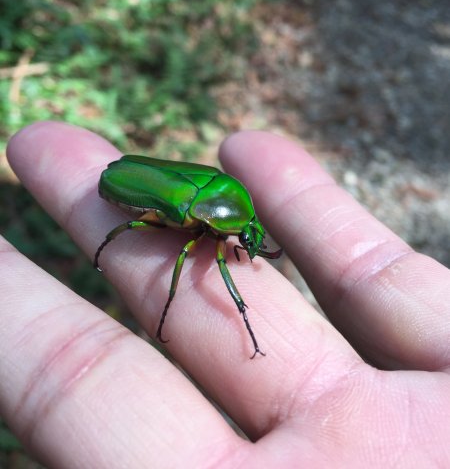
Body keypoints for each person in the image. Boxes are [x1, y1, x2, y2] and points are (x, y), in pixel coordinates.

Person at [2, 121, 450, 468]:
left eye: (246, 233)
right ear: (218, 224)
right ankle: (231, 314)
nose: (245, 242)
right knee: (177, 253)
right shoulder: (206, 231)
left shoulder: (233, 209)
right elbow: (188, 259)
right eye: (242, 234)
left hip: (191, 191)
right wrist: (211, 308)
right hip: (130, 185)